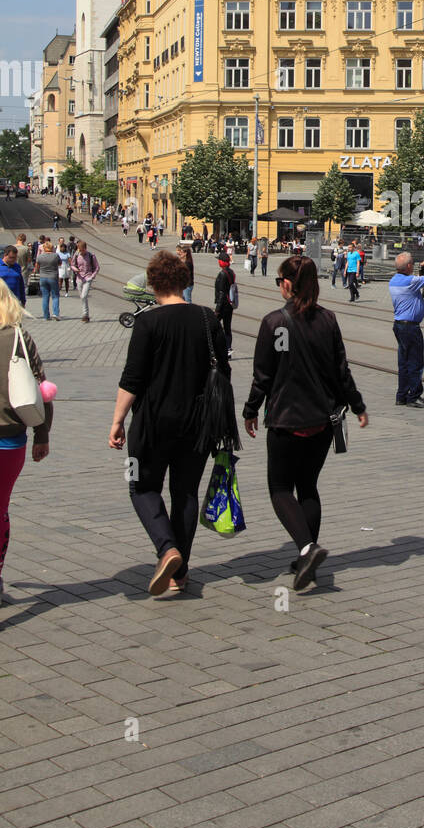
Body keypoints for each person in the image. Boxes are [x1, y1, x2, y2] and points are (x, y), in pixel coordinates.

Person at [243, 255, 368, 590]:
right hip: (321, 422)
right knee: (308, 487)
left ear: (287, 283)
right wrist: (357, 406)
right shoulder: (328, 320)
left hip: (285, 420)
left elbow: (262, 376)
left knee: (280, 489)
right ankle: (305, 562)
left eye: (279, 280)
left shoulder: (273, 322)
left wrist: (251, 410)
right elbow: (342, 370)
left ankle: (308, 548)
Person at [109, 251, 230, 596]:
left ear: (153, 284)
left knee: (141, 486)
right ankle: (181, 573)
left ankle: (167, 549)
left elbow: (132, 379)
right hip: (199, 423)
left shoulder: (148, 322)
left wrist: (117, 421)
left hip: (152, 423)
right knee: (185, 491)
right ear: (184, 281)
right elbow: (224, 370)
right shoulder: (208, 319)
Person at [0, 282, 52, 604]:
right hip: (10, 441)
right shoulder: (20, 337)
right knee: (0, 509)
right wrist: (42, 436)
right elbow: (41, 392)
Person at [389, 252, 424, 408]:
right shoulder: (410, 281)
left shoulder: (394, 281)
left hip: (399, 325)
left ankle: (402, 395)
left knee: (403, 362)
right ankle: (414, 396)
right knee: (415, 362)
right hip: (410, 327)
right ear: (409, 266)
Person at [71, 240, 99, 324]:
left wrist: (92, 276)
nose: (80, 252)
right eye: (79, 250)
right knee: (83, 298)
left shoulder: (91, 256)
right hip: (79, 278)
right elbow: (72, 265)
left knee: (84, 296)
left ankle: (85, 314)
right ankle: (86, 316)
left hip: (88, 278)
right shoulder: (76, 255)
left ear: (85, 248)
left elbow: (97, 267)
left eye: (82, 250)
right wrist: (75, 269)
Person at [214, 254, 236, 357]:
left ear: (222, 262)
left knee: (213, 326)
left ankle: (215, 349)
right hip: (230, 303)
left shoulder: (222, 274)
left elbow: (222, 292)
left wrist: (217, 309)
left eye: (219, 260)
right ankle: (228, 349)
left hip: (223, 305)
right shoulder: (231, 272)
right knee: (227, 327)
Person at [35, 240, 61, 321]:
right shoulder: (55, 255)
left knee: (45, 297)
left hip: (43, 278)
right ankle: (55, 314)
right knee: (55, 296)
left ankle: (46, 316)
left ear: (44, 248)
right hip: (53, 277)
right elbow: (60, 264)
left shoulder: (40, 257)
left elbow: (36, 267)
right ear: (52, 247)